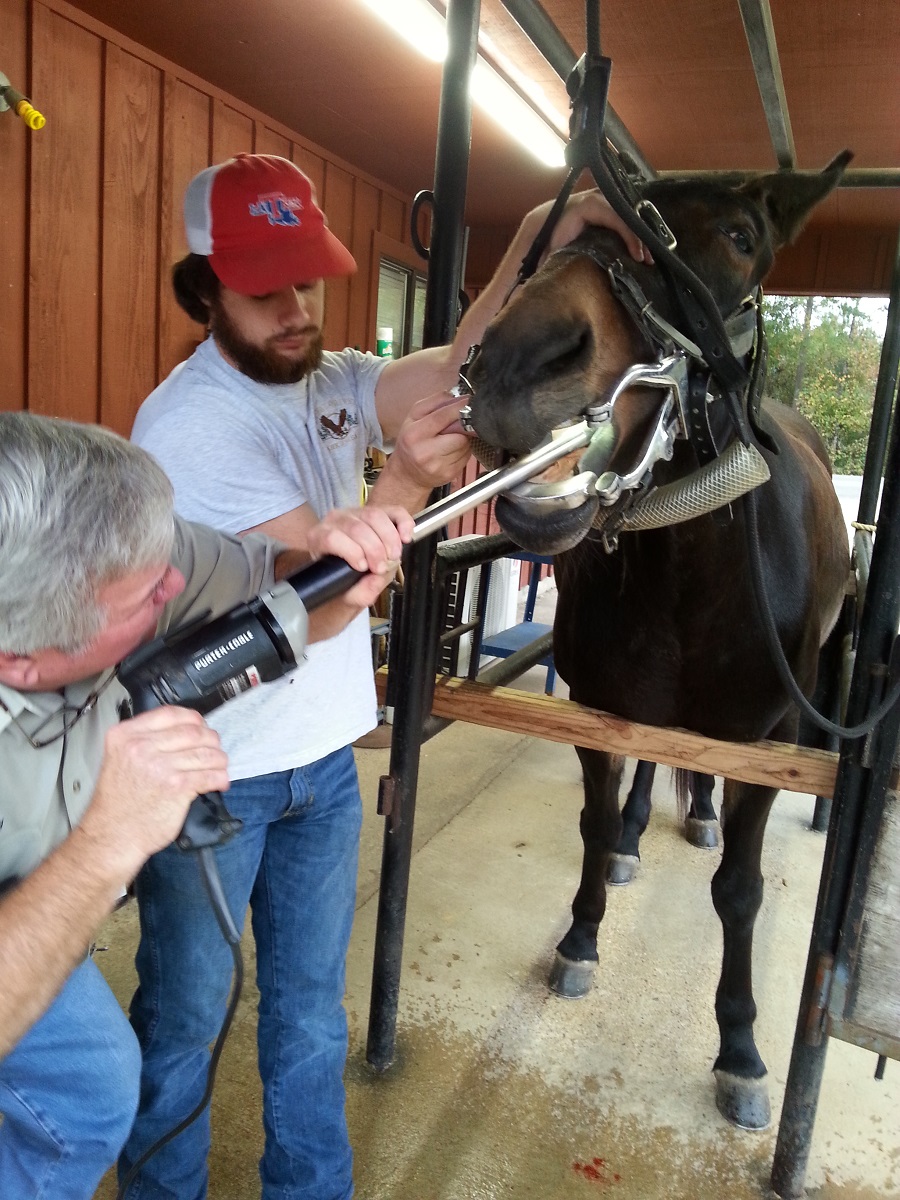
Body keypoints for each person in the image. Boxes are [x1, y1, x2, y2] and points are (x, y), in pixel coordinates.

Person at [123, 153, 647, 1200]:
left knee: (312, 1014)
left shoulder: (321, 381)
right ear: (202, 292)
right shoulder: (189, 425)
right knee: (185, 1019)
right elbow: (314, 600)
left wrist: (534, 234)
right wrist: (404, 478)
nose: (296, 308)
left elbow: (462, 369)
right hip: (212, 780)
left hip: (318, 764)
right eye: (264, 289)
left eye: (306, 280)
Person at [0, 410, 414, 1200]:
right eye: (148, 598)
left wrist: (331, 565)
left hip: (28, 878)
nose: (178, 586)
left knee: (92, 1087)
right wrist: (105, 845)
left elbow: (285, 590)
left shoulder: (130, 553)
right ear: (22, 658)